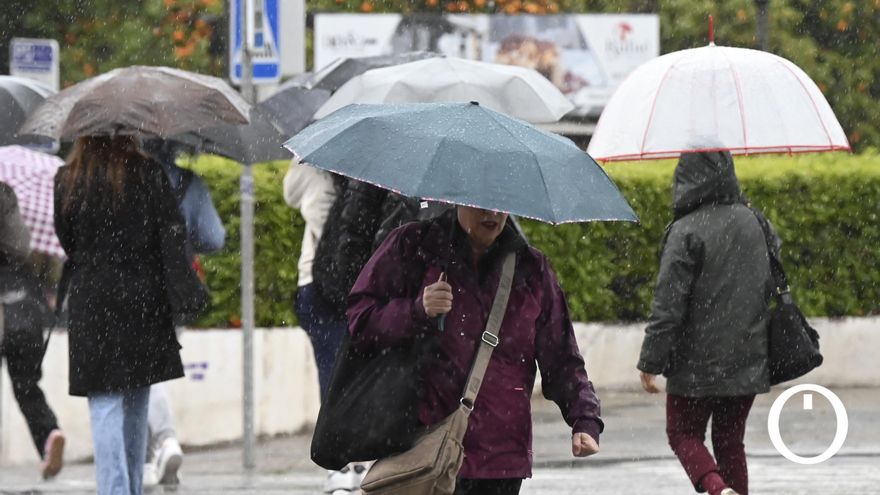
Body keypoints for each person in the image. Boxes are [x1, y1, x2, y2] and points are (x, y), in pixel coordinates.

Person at [348, 206, 603, 495]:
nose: (492, 214)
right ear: (460, 198)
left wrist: (585, 418)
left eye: (501, 204)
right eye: (482, 205)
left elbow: (561, 358)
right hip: (422, 448)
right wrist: (417, 310)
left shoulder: (531, 268)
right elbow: (361, 319)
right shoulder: (413, 247)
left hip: (500, 460)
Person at [637, 150, 777, 495]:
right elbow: (768, 284)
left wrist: (650, 362)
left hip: (695, 362)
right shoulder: (756, 221)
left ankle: (717, 489)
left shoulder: (686, 230)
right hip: (748, 355)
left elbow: (668, 305)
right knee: (730, 441)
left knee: (683, 433)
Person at [54, 136, 185, 495]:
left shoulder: (69, 179)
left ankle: (115, 489)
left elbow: (67, 242)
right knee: (136, 398)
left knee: (105, 402)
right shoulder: (147, 172)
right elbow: (170, 232)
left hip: (92, 300)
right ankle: (131, 486)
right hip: (143, 298)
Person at [309, 175, 421, 494]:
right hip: (391, 310)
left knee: (355, 388)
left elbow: (351, 242)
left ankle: (355, 467)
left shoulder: (370, 178)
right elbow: (356, 243)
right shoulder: (379, 181)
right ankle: (359, 466)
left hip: (387, 308)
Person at [139, 138, 226, 486]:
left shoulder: (126, 177)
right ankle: (149, 455)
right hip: (174, 287)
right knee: (151, 367)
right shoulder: (189, 183)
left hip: (129, 285)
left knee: (141, 371)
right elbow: (215, 238)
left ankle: (162, 440)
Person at [0, 182, 65, 479]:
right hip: (21, 306)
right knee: (27, 387)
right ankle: (49, 434)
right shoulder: (4, 192)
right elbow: (21, 246)